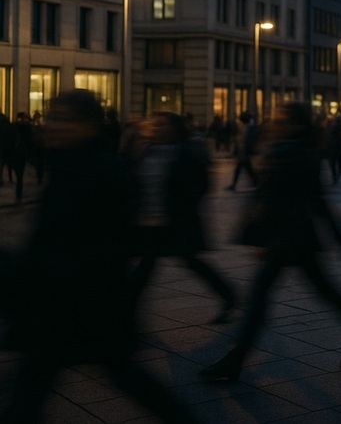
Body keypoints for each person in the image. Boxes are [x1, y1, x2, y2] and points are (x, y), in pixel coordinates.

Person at [1, 90, 199, 422]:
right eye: (53, 117)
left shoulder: (98, 169)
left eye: (66, 119)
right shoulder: (71, 163)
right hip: (72, 303)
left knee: (43, 385)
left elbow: (97, 244)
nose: (55, 126)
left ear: (90, 126)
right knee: (39, 385)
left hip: (80, 302)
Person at [200, 102, 341, 381]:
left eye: (280, 117)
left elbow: (273, 197)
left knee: (260, 298)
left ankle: (235, 361)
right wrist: (340, 236)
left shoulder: (288, 149)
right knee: (325, 293)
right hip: (299, 236)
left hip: (286, 237)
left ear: (293, 123)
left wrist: (260, 235)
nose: (274, 120)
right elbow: (317, 198)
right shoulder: (300, 147)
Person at [128, 111, 237, 324]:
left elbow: (201, 185)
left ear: (174, 128)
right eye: (154, 124)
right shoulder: (145, 150)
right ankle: (125, 310)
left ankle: (229, 296)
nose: (156, 128)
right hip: (150, 222)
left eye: (161, 124)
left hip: (176, 221)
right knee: (144, 269)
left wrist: (186, 206)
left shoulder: (185, 152)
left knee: (190, 262)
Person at [226, 111, 260, 191]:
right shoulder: (246, 128)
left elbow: (244, 141)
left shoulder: (248, 129)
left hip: (244, 153)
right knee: (246, 169)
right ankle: (255, 183)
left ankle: (234, 185)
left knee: (245, 169)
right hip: (243, 153)